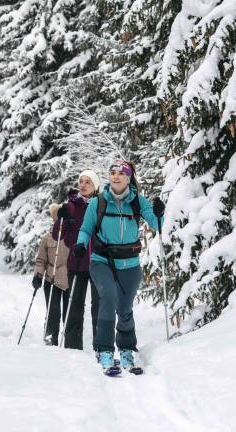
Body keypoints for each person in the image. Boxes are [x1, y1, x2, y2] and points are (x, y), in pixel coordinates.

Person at [73, 160, 163, 375]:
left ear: (129, 177)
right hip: (102, 261)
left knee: (124, 308)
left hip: (130, 264)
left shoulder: (138, 202)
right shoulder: (99, 202)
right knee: (109, 299)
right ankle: (104, 350)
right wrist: (80, 244)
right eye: (112, 173)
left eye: (120, 173)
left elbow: (157, 225)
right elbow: (86, 229)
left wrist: (159, 213)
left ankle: (126, 349)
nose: (115, 176)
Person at [56, 170, 100, 350]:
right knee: (74, 308)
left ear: (95, 185)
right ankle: (72, 349)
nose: (83, 184)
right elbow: (57, 234)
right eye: (81, 181)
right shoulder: (71, 205)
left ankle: (102, 347)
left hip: (99, 263)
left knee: (99, 308)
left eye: (87, 181)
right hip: (77, 263)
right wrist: (62, 218)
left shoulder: (102, 205)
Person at [32, 204, 70, 345]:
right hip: (51, 280)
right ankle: (50, 337)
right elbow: (41, 260)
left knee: (69, 313)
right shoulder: (47, 238)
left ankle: (70, 340)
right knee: (53, 312)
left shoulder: (72, 236)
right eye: (56, 218)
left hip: (69, 280)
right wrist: (38, 275)